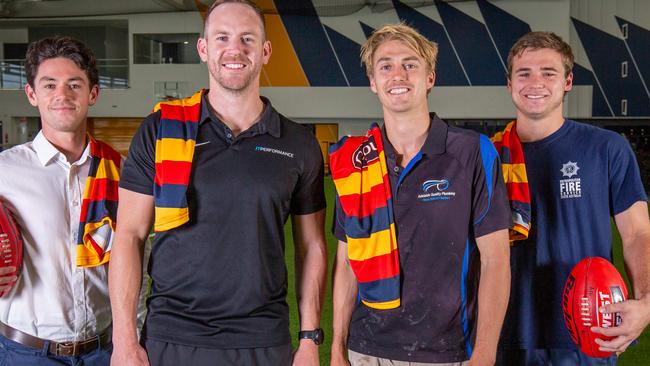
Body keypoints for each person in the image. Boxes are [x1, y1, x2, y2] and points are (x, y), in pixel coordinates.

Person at [108, 1, 328, 365]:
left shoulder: (298, 144)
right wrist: (124, 341)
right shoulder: (162, 130)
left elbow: (312, 246)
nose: (235, 49)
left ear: (265, 51)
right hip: (171, 336)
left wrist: (308, 340)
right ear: (203, 48)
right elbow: (129, 235)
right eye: (222, 37)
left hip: (261, 339)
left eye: (247, 38)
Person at [329, 23, 511, 366]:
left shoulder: (472, 151)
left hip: (445, 353)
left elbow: (496, 260)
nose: (398, 74)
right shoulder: (354, 161)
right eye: (386, 66)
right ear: (373, 82)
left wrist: (485, 354)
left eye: (410, 64)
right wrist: (338, 349)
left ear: (430, 78)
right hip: (365, 350)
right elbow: (346, 264)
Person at [495, 31, 650, 365]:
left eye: (548, 73)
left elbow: (638, 233)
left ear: (567, 81)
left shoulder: (607, 148)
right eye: (524, 73)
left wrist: (646, 303)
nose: (535, 82)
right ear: (509, 84)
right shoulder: (488, 155)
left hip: (587, 328)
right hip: (504, 333)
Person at [0, 36, 120, 365]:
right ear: (31, 94)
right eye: (49, 85)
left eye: (74, 84)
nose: (62, 95)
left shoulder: (118, 171)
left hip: (104, 350)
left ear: (92, 94)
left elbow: (135, 258)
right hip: (26, 353)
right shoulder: (4, 170)